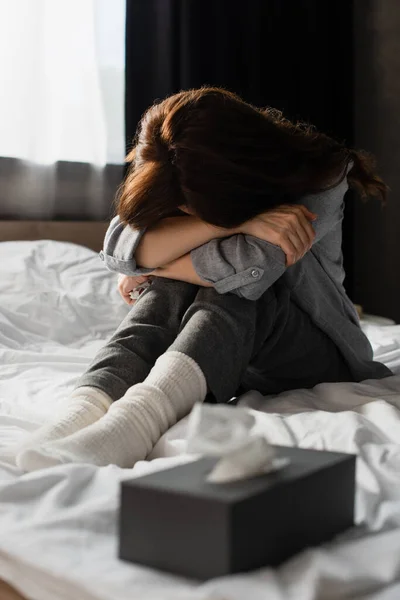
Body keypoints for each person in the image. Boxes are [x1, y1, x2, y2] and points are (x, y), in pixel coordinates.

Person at [16, 87, 392, 472]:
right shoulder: (177, 165)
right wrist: (226, 223)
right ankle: (84, 410)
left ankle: (138, 420)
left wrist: (157, 264)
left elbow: (253, 268)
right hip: (230, 356)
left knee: (228, 285)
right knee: (176, 286)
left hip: (319, 353)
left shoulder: (323, 177)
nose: (186, 212)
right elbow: (119, 244)